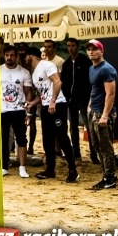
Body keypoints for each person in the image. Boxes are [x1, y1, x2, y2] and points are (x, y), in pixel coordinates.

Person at [26, 47, 79, 183]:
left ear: (31, 55)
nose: (24, 58)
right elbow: (42, 93)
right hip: (45, 106)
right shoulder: (34, 72)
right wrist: (33, 103)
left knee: (61, 137)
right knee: (47, 139)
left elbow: (57, 82)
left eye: (25, 56)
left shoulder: (46, 65)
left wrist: (53, 101)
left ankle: (73, 169)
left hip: (58, 105)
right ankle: (50, 169)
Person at [84, 39, 118, 190]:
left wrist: (105, 116)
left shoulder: (107, 69)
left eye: (94, 49)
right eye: (89, 49)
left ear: (101, 51)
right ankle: (107, 174)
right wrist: (90, 105)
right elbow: (95, 89)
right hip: (94, 111)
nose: (91, 51)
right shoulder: (92, 68)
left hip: (103, 113)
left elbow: (110, 94)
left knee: (106, 147)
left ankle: (110, 177)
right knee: (97, 146)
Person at [0, 45, 33, 178]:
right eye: (7, 55)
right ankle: (4, 166)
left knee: (21, 138)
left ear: (17, 56)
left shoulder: (24, 72)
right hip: (3, 110)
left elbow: (28, 93)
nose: (9, 58)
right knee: (3, 138)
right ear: (4, 56)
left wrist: (29, 112)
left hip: (19, 109)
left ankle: (22, 167)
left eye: (12, 55)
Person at [61, 37, 95, 161]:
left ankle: (93, 154)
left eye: (73, 45)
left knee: (89, 126)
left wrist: (88, 97)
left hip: (84, 99)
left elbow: (90, 80)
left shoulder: (85, 61)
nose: (71, 48)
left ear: (78, 46)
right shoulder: (66, 64)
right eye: (69, 46)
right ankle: (76, 152)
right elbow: (64, 82)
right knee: (73, 126)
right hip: (71, 100)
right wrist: (67, 96)